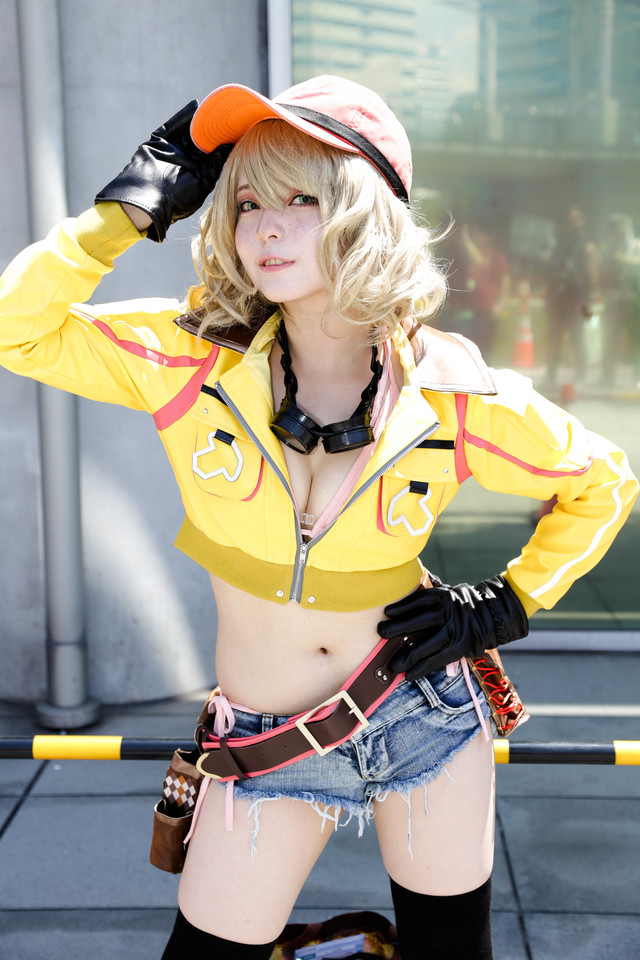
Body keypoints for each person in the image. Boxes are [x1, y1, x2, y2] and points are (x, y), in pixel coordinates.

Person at [0, 76, 637, 960]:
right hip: (265, 744)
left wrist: (507, 601)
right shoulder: (188, 360)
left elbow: (604, 481)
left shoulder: (450, 392)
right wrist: (128, 211)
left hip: (423, 716)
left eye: (302, 199)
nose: (266, 227)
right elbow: (17, 329)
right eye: (248, 201)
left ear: (364, 214)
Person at [544, 207, 600, 389]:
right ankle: (551, 374)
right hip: (558, 299)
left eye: (577, 220)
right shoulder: (558, 247)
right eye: (571, 221)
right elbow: (549, 272)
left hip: (577, 299)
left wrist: (589, 302)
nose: (574, 225)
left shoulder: (587, 247)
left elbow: (592, 276)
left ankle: (581, 373)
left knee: (577, 337)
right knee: (555, 337)